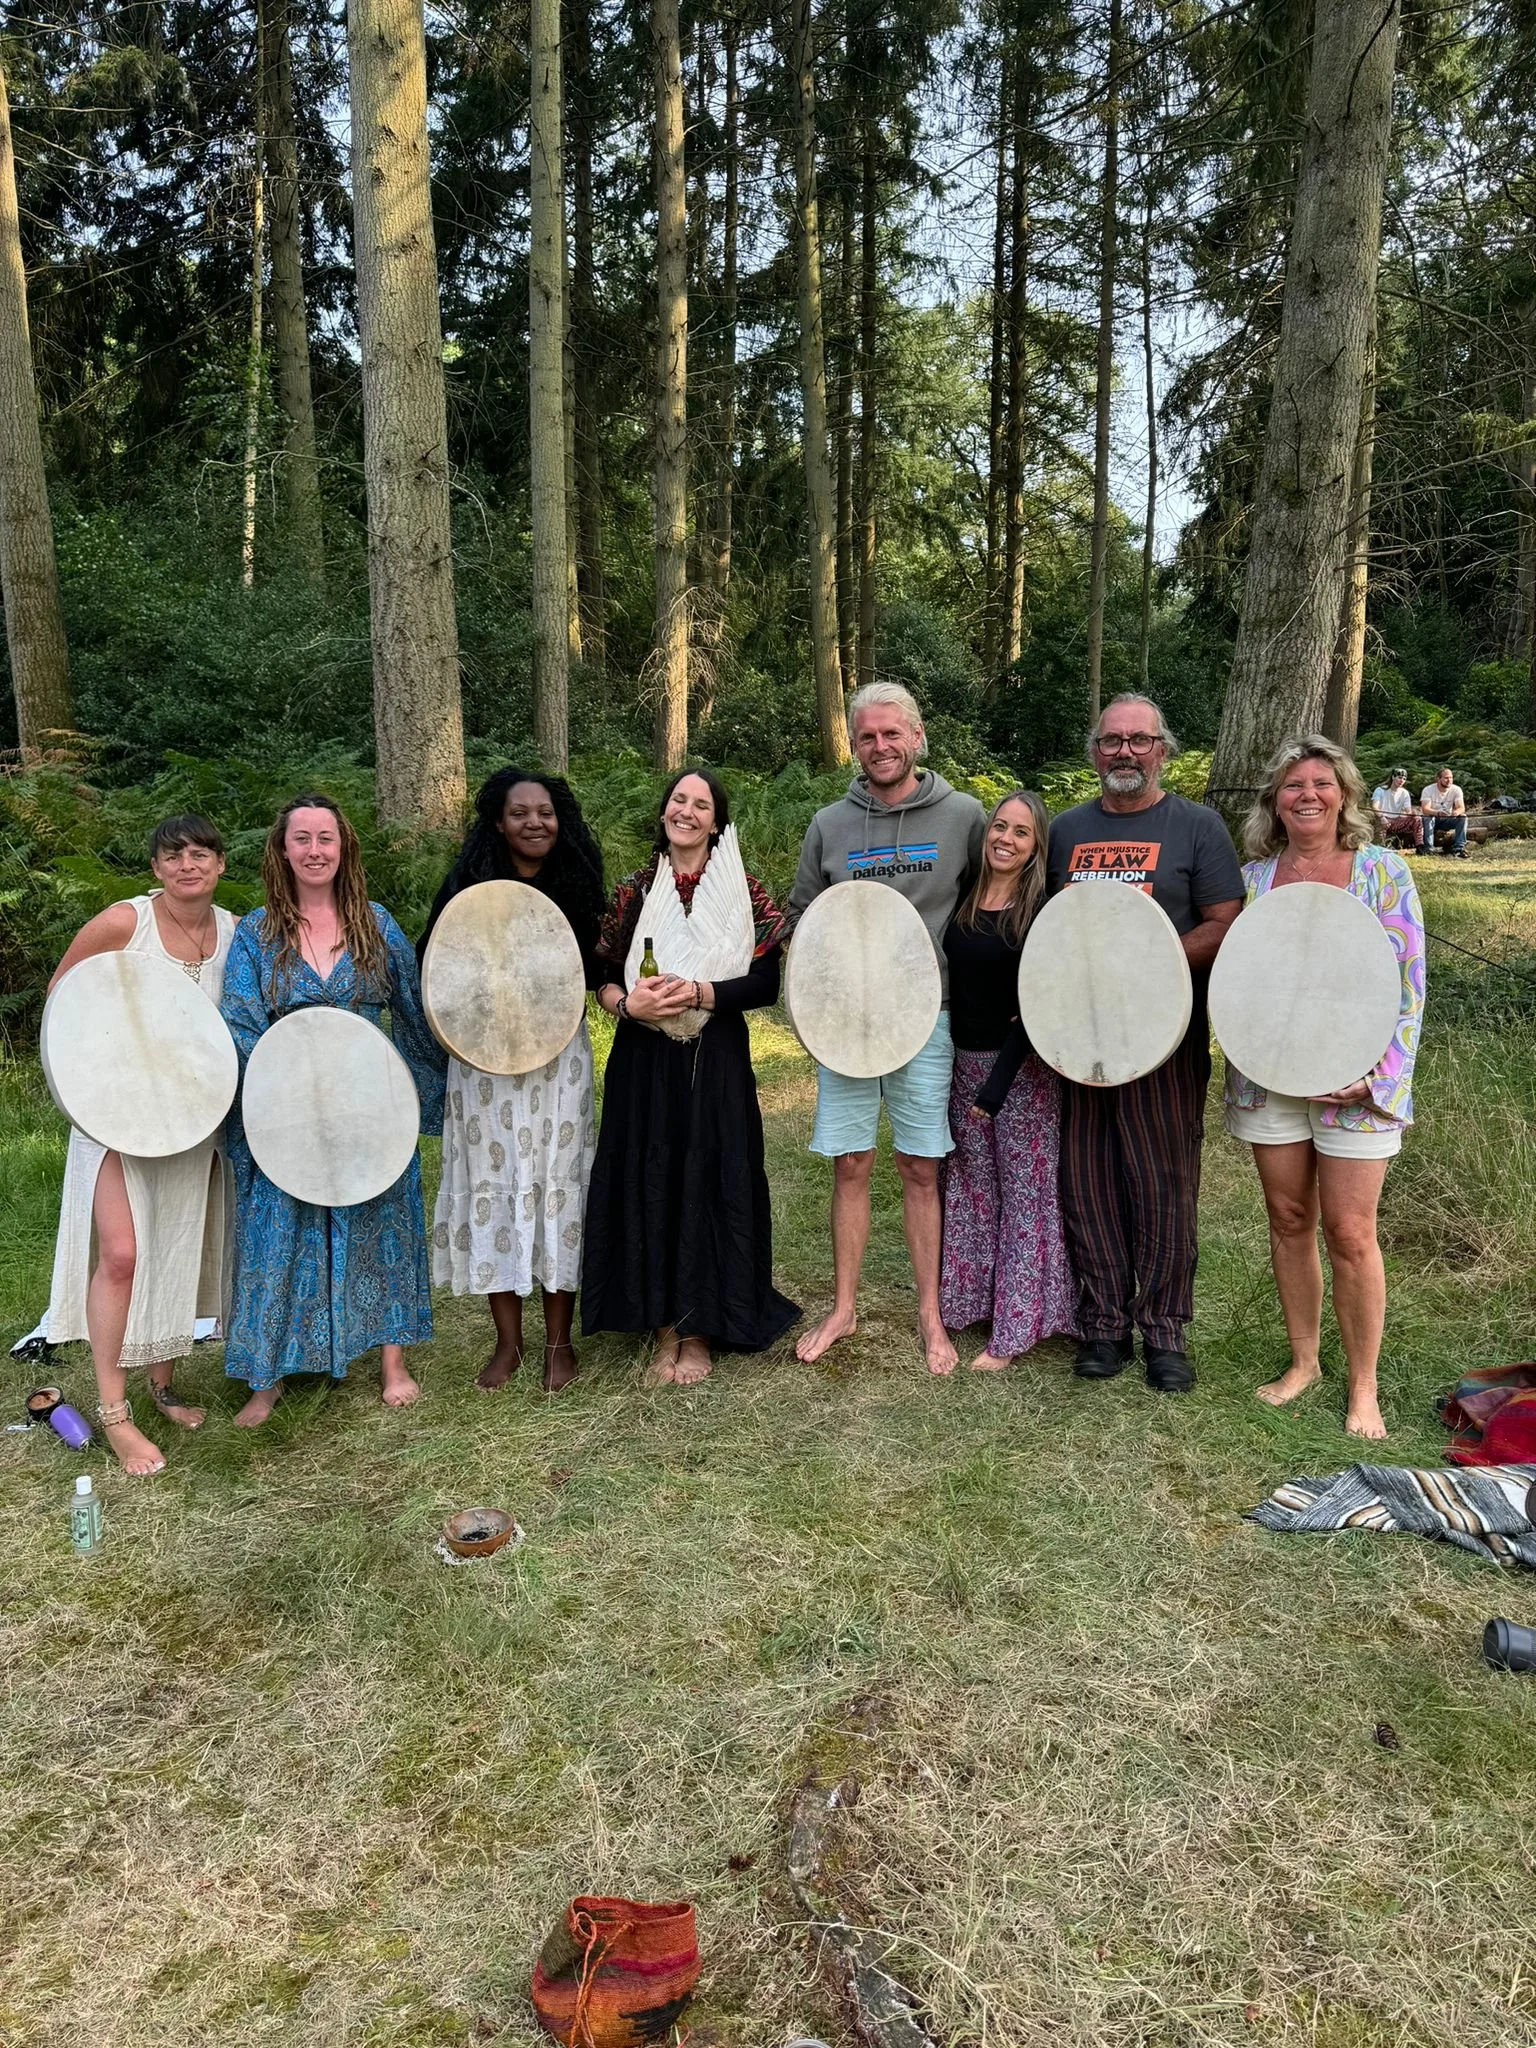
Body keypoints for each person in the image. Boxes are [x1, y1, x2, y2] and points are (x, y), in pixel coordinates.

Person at [220, 794, 445, 1424]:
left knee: (383, 1222)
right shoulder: (256, 932)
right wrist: (255, 1106)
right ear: (282, 850)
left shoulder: (376, 924)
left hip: (371, 1101)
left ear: (343, 849)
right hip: (285, 1103)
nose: (314, 850)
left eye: (326, 839)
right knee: (278, 1229)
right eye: (302, 839)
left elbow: (414, 1009)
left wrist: (427, 1095)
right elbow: (238, 1023)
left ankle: (392, 1361)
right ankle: (267, 1377)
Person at [1225, 736, 1425, 1439]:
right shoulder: (1252, 879)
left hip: (1356, 1084)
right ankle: (1304, 1362)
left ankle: (1362, 1386)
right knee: (1287, 1219)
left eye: (1321, 782)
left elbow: (1408, 990)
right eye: (1291, 785)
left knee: (1350, 1231)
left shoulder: (1383, 875)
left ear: (1344, 793)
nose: (1307, 794)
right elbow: (1236, 983)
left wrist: (1377, 1074)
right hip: (1269, 1076)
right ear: (1273, 801)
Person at [1046, 692, 1244, 1393]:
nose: (1124, 752)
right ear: (1094, 751)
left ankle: (1163, 1331)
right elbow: (1047, 934)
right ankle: (1102, 1325)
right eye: (1111, 740)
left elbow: (1225, 920)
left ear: (1163, 749)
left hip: (1165, 1036)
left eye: (1140, 740)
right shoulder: (1065, 831)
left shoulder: (1196, 826)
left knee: (1161, 1179)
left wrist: (1146, 968)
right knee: (1088, 1176)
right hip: (1078, 1036)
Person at [788, 682, 987, 1374]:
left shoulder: (963, 815)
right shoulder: (829, 825)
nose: (880, 747)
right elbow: (802, 921)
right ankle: (843, 1308)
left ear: (917, 735)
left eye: (891, 734)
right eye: (867, 736)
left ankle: (931, 1317)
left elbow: (990, 906)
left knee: (920, 1165)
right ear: (855, 743)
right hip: (844, 1023)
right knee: (851, 1163)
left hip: (928, 1018)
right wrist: (814, 1004)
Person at [582, 769, 799, 1385]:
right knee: (651, 1173)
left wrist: (704, 990)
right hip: (643, 1061)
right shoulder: (635, 889)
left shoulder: (744, 891)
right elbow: (598, 973)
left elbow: (764, 984)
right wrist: (626, 1005)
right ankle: (663, 1330)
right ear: (664, 812)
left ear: (716, 821)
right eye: (679, 799)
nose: (687, 811)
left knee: (708, 1175)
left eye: (701, 804)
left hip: (717, 1057)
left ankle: (700, 1329)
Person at [41, 815, 237, 1475]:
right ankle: (116, 1413)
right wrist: (97, 1085)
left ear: (219, 865)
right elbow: (61, 997)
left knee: (175, 1245)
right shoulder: (125, 923)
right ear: (156, 868)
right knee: (123, 1254)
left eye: (201, 852)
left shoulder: (234, 932)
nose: (188, 863)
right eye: (173, 854)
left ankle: (163, 1385)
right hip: (114, 1116)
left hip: (190, 1120)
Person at [419, 769, 605, 1393]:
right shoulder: (468, 888)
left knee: (558, 1184)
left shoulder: (577, 886)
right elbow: (435, 968)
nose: (534, 822)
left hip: (558, 1062)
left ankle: (558, 1343)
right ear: (497, 823)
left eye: (545, 812)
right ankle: (508, 1343)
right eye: (519, 813)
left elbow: (603, 966)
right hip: (481, 1065)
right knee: (493, 1184)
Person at [939, 791, 1078, 1369]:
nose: (1006, 839)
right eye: (1000, 826)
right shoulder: (968, 894)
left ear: (1035, 847)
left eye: (1022, 833)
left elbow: (1036, 1007)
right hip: (963, 1061)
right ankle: (973, 1303)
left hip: (1018, 1071)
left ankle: (1016, 1329)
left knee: (1024, 1195)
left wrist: (995, 1089)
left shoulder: (1040, 910)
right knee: (972, 1188)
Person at [1420, 765, 1468, 856]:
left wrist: (1456, 812)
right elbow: (1425, 809)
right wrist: (1437, 813)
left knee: (1463, 817)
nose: (1449, 780)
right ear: (1438, 779)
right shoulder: (1428, 790)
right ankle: (1429, 849)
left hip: (1448, 819)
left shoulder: (1456, 789)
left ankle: (1459, 848)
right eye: (1446, 778)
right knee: (1427, 818)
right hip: (1433, 819)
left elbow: (1461, 807)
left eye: (1451, 778)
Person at [1371, 767, 1421, 850]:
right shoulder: (1380, 790)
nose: (1402, 780)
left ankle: (1420, 846)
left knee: (1417, 819)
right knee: (1380, 825)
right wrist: (1382, 817)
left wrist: (1413, 813)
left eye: (1404, 779)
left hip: (1396, 821)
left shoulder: (1404, 793)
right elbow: (1374, 806)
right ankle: (1382, 845)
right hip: (1383, 820)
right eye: (1400, 777)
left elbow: (1408, 811)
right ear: (1393, 777)